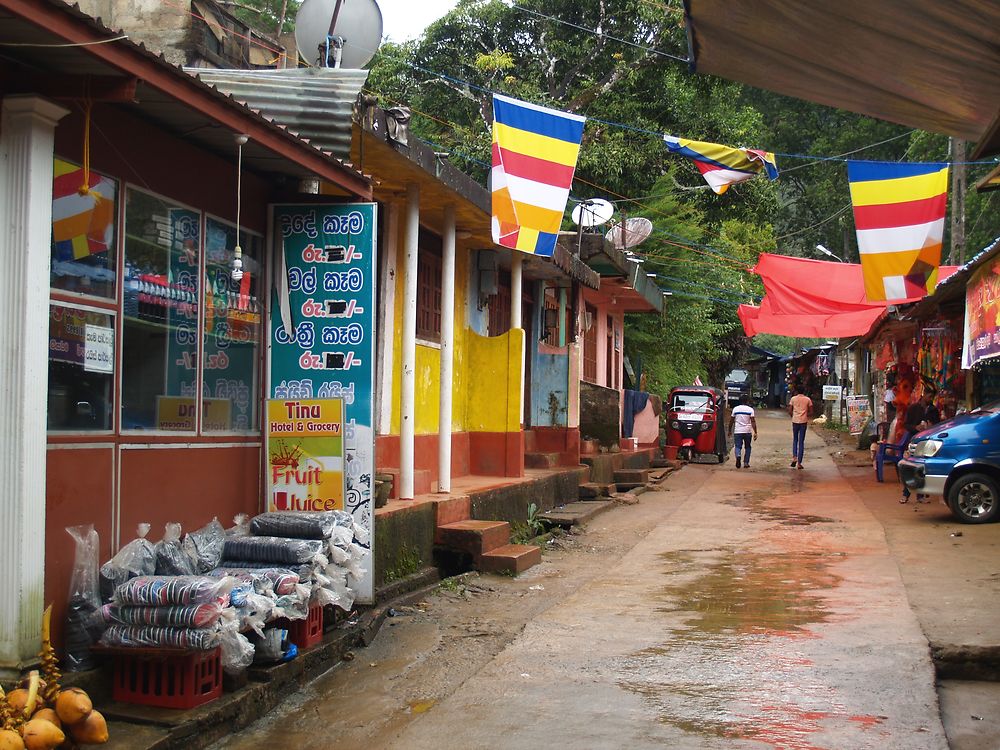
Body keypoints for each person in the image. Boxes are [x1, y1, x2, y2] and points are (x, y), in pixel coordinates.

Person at [900, 391, 934, 504]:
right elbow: (906, 425)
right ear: (923, 395)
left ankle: (920, 495)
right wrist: (916, 427)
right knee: (910, 468)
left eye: (932, 397)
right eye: (929, 396)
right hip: (914, 442)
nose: (930, 399)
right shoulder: (913, 408)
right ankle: (906, 494)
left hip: (926, 442)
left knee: (922, 469)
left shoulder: (933, 410)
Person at [728, 394, 758, 469]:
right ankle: (746, 463)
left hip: (738, 431)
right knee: (748, 447)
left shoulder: (735, 409)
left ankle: (738, 456)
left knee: (738, 446)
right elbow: (753, 421)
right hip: (747, 431)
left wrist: (729, 430)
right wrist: (755, 432)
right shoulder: (750, 410)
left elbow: (731, 421)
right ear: (747, 401)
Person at [787, 386, 812, 469]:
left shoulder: (793, 399)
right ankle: (799, 463)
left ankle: (794, 457)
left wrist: (793, 416)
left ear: (797, 391)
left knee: (795, 440)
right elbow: (811, 411)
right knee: (801, 442)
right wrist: (806, 415)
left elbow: (790, 410)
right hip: (803, 421)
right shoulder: (807, 399)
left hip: (795, 421)